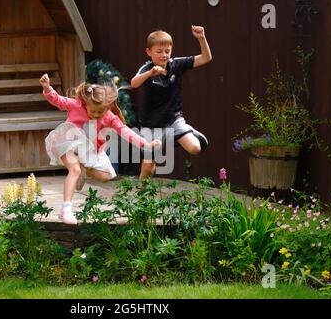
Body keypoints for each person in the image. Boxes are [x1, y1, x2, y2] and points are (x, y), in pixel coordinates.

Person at [40, 74, 161, 225]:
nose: (96, 115)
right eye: (93, 111)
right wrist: (47, 88)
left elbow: (125, 132)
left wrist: (145, 144)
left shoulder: (110, 117)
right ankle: (66, 210)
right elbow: (58, 100)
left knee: (106, 176)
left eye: (100, 112)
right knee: (74, 170)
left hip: (89, 148)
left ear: (108, 107)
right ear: (85, 104)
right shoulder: (77, 105)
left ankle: (85, 171)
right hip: (68, 141)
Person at [131, 25, 212, 180]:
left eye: (167, 51)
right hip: (151, 124)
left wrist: (201, 38)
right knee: (148, 167)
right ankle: (141, 197)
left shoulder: (177, 64)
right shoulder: (146, 68)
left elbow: (206, 58)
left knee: (195, 148)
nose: (164, 55)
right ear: (149, 52)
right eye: (159, 51)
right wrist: (150, 73)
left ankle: (183, 131)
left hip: (173, 119)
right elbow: (134, 83)